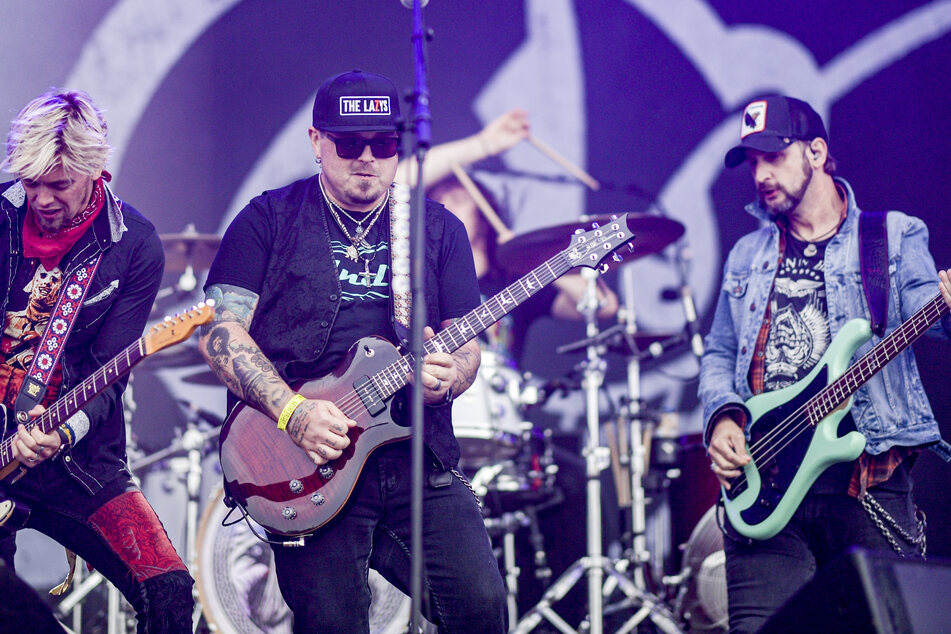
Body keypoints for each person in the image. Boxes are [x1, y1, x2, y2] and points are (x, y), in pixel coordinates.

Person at [198, 70, 507, 632]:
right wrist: (294, 413)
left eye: (383, 144)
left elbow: (469, 343)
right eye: (349, 143)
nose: (367, 157)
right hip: (308, 461)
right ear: (316, 142)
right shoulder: (267, 219)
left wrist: (451, 374)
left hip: (419, 456)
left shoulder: (437, 230)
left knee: (482, 612)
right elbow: (222, 336)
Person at [699, 95, 951, 633]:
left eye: (774, 156)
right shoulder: (747, 253)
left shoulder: (893, 236)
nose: (761, 175)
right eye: (752, 163)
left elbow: (937, 322)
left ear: (817, 152)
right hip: (764, 483)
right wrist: (723, 416)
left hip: (866, 479)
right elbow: (719, 352)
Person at [0, 90, 194, 630]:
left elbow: (109, 376)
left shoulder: (134, 246)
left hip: (75, 457)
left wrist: (60, 433)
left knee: (171, 591)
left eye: (58, 184)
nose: (40, 198)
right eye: (30, 183)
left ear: (94, 170)